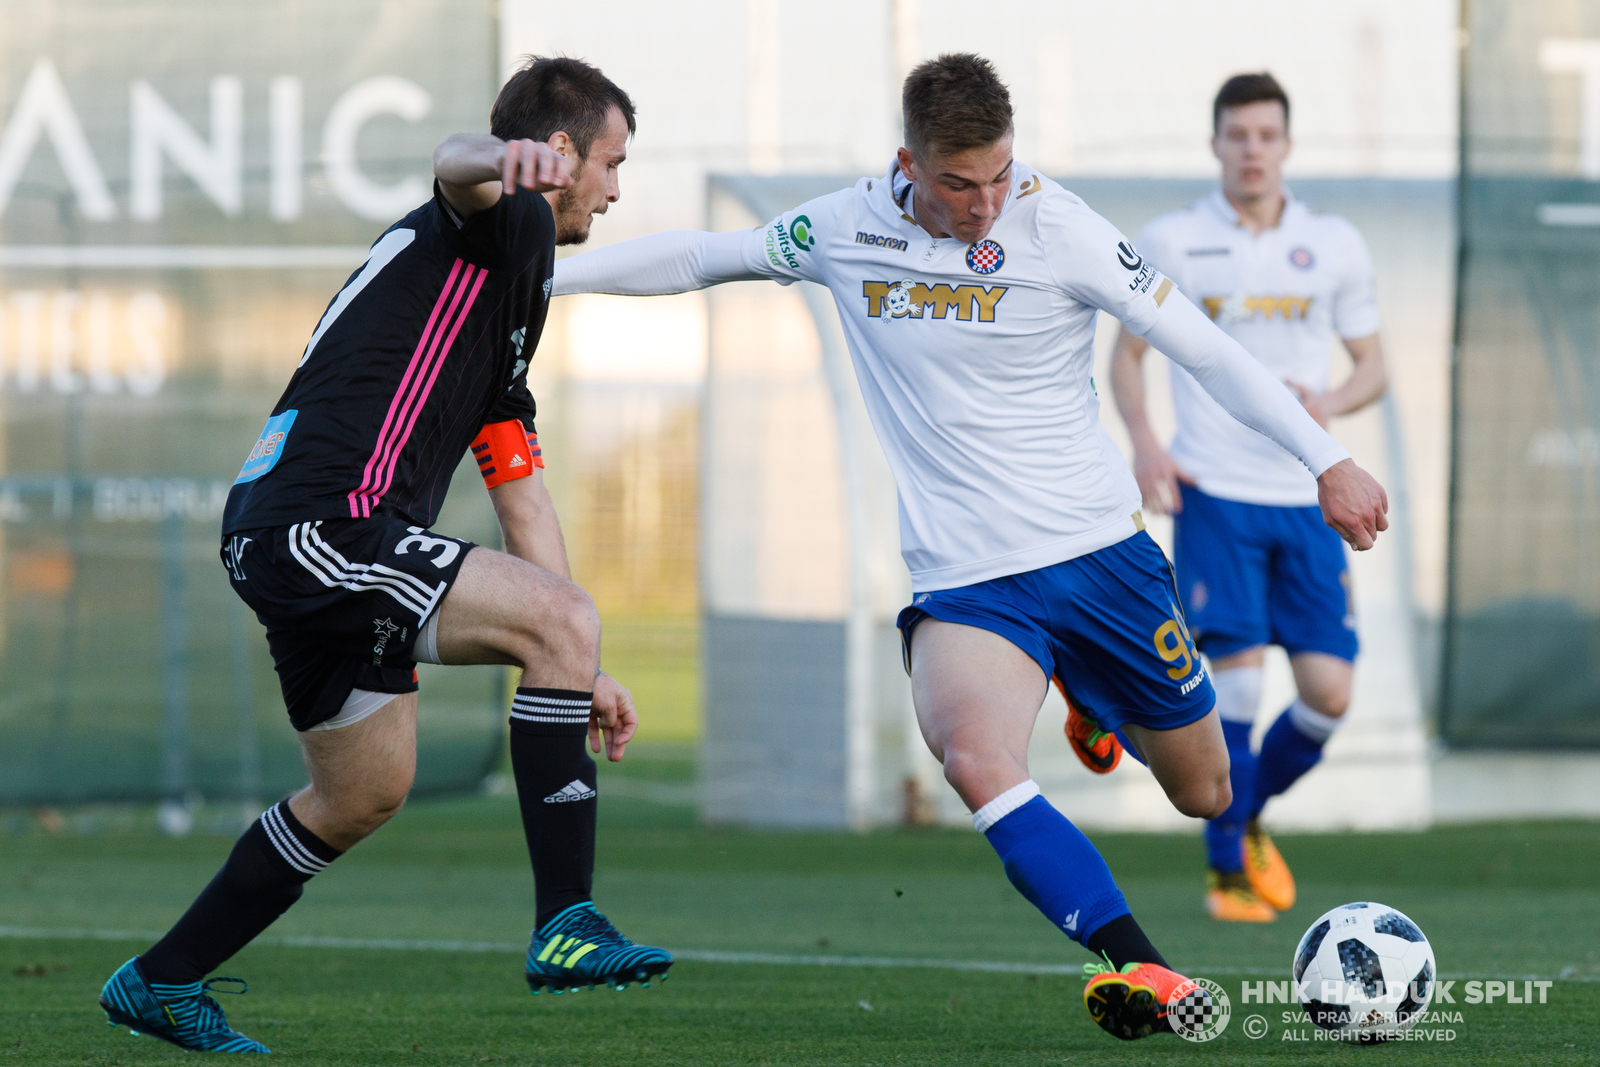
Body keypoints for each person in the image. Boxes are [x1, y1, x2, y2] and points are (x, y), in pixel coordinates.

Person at [550, 54, 1387, 1041]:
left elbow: (1200, 347)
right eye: (958, 182)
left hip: (1100, 555)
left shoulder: (1061, 225)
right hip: (968, 578)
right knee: (971, 752)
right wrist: (534, 278)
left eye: (999, 174)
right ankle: (1142, 963)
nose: (985, 203)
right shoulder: (846, 227)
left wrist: (1325, 459)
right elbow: (696, 258)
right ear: (908, 162)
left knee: (1204, 789)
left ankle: (1088, 687)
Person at [96, 57, 672, 1054]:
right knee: (554, 622)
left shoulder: (510, 299)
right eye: (611, 163)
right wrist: (502, 157)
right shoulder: (505, 213)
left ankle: (161, 977)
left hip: (296, 538)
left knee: (362, 792)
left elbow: (520, 491)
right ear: (561, 153)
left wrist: (575, 659)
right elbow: (453, 168)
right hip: (324, 524)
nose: (617, 189)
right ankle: (565, 922)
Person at [1108, 72, 1389, 925]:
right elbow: (1127, 358)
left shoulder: (1334, 243)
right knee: (1234, 692)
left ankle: (1244, 813)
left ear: (1287, 145)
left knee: (1330, 694)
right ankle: (1226, 869)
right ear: (1217, 144)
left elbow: (1373, 366)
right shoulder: (1176, 238)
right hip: (1215, 491)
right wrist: (1147, 444)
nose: (1253, 149)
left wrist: (1327, 407)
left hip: (1308, 492)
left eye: (1267, 135)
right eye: (1238, 135)